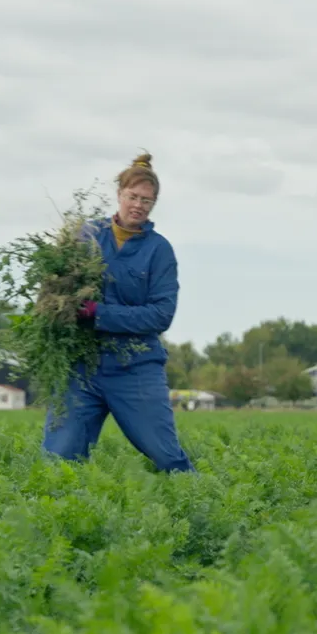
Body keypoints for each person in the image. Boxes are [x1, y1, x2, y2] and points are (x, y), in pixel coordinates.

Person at [42, 152, 196, 473]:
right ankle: (59, 519)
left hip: (135, 367)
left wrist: (98, 313)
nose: (139, 205)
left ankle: (201, 503)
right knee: (58, 461)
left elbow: (160, 316)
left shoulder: (159, 250)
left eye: (147, 201)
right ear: (119, 195)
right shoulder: (85, 236)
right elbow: (55, 287)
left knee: (167, 458)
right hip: (82, 366)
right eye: (133, 197)